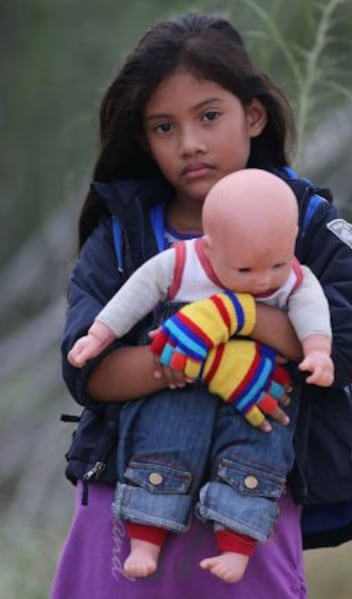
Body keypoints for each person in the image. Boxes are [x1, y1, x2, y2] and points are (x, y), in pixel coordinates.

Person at [51, 12, 352, 599]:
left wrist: (240, 317)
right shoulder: (124, 237)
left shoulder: (306, 226)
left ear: (252, 115)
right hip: (125, 509)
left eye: (209, 116)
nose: (190, 144)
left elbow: (348, 345)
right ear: (144, 142)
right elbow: (88, 370)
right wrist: (207, 360)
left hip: (248, 511)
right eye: (163, 127)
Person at [67, 168, 334, 581]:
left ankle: (238, 547)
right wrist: (99, 335)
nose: (263, 281)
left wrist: (318, 351)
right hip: (178, 387)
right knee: (161, 446)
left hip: (256, 393)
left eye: (277, 264)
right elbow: (135, 295)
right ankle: (145, 538)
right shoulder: (181, 263)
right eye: (245, 272)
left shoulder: (292, 275)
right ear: (209, 247)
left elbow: (312, 309)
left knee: (257, 457)